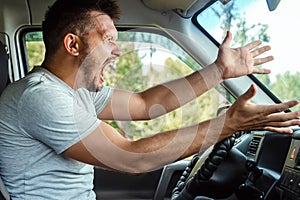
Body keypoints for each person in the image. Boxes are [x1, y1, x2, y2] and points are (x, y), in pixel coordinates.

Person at [0, 0, 300, 199]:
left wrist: (219, 71)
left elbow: (146, 105)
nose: (117, 50)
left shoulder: (74, 91)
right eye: (108, 40)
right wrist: (228, 124)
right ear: (73, 44)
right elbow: (133, 158)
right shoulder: (41, 97)